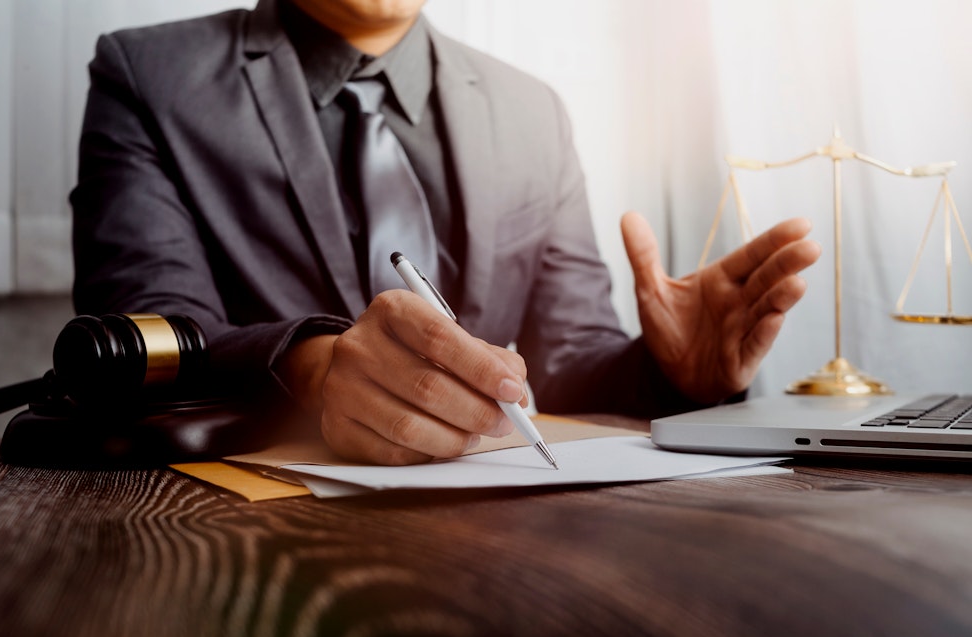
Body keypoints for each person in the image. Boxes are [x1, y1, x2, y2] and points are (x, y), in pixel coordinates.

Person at [70, 0, 821, 465]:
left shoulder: (533, 111)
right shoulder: (149, 76)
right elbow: (146, 336)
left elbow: (565, 361)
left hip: (514, 537)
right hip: (240, 538)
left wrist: (671, 374)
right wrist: (311, 368)